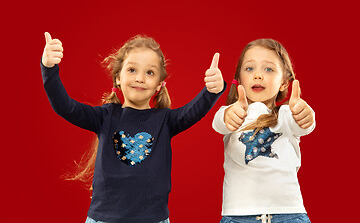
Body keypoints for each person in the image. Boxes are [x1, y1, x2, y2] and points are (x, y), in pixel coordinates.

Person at [41, 32, 226, 223]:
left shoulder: (165, 120)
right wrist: (49, 68)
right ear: (117, 78)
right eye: (132, 70)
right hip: (103, 219)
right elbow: (66, 107)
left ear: (159, 86)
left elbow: (193, 111)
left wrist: (212, 90)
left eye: (150, 73)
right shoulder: (105, 116)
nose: (140, 78)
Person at [212, 39, 315, 223]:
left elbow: (303, 125)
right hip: (238, 216)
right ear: (240, 79)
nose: (258, 75)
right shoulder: (231, 113)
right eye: (249, 69)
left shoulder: (285, 115)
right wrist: (230, 114)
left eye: (268, 69)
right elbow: (219, 123)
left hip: (288, 214)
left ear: (284, 83)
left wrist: (305, 114)